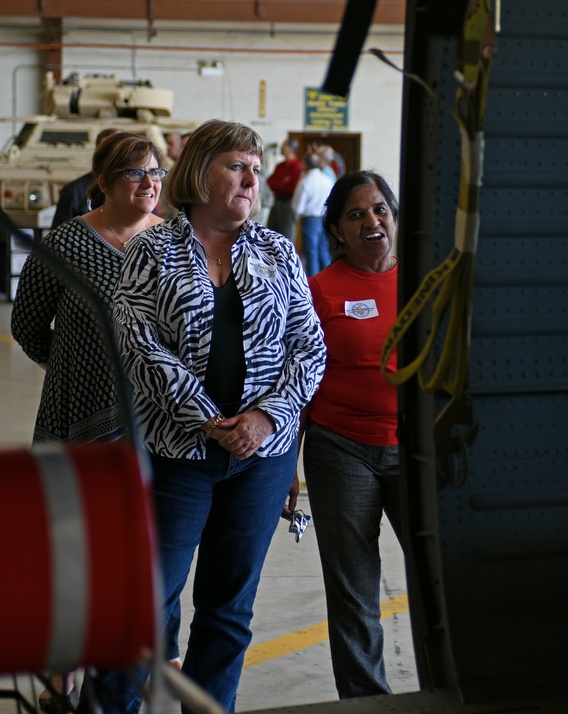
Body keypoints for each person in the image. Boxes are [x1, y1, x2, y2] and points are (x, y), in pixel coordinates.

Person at [88, 119, 326, 713]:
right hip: (177, 456)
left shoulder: (277, 249)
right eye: (236, 165)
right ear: (199, 172)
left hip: (260, 461)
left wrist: (266, 419)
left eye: (256, 166)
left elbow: (309, 345)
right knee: (145, 604)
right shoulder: (153, 249)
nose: (252, 178)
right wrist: (206, 416)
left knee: (228, 608)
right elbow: (134, 339)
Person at [11, 131, 165, 714]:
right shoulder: (68, 243)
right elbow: (28, 326)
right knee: (73, 551)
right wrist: (77, 364)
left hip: (156, 420)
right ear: (102, 181)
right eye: (133, 174)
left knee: (148, 553)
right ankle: (61, 675)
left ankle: (136, 671)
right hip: (77, 414)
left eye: (153, 171)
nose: (149, 183)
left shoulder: (176, 240)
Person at [300, 170, 401, 699]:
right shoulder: (318, 291)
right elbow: (297, 379)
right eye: (356, 215)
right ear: (336, 231)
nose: (371, 221)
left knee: (442, 582)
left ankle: (451, 687)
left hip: (415, 449)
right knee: (354, 593)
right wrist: (287, 466)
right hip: (340, 450)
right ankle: (367, 702)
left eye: (380, 209)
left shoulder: (424, 281)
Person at [50, 128, 122, 227]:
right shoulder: (74, 191)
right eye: (107, 150)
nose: (113, 155)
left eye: (119, 150)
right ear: (97, 153)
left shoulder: (140, 189)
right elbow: (58, 237)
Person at [291, 150, 335, 275]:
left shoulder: (305, 182)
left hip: (310, 219)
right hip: (325, 218)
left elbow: (298, 207)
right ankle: (329, 279)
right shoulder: (327, 180)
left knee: (311, 253)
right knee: (323, 251)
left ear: (305, 164)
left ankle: (313, 285)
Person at [266, 138, 303, 245]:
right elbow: (270, 182)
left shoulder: (297, 167)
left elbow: (291, 188)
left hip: (288, 204)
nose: (281, 148)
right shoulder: (280, 166)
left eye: (284, 145)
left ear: (291, 149)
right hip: (276, 203)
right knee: (271, 234)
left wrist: (280, 184)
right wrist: (282, 183)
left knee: (286, 237)